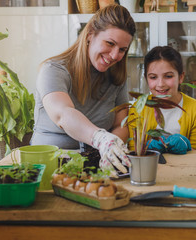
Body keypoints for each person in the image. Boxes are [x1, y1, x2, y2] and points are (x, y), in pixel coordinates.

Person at [30, 4, 136, 175]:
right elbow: (63, 114)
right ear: (90, 35)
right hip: (49, 167)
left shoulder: (117, 78)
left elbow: (121, 125)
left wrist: (112, 149)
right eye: (110, 43)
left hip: (97, 165)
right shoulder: (53, 70)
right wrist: (100, 139)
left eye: (122, 50)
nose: (115, 55)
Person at [128, 46, 196, 154]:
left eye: (168, 76)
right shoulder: (138, 108)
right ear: (146, 78)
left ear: (181, 77)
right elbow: (133, 151)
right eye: (153, 77)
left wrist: (188, 149)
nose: (160, 84)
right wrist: (144, 148)